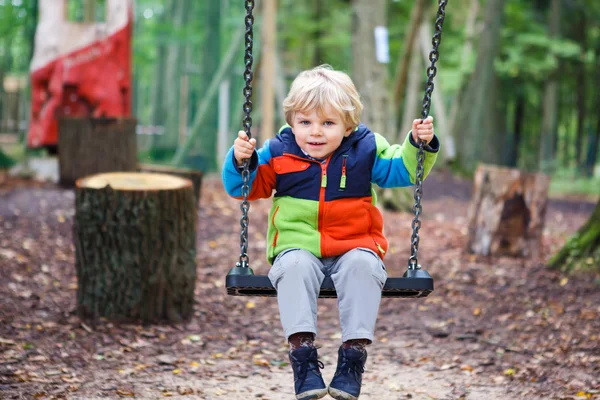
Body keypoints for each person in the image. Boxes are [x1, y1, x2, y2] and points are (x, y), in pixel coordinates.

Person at [222, 65, 439, 400]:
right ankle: (302, 356)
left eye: (327, 123)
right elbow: (245, 187)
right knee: (293, 267)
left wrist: (417, 144)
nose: (315, 133)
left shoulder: (366, 148)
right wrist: (240, 160)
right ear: (293, 122)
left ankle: (353, 356)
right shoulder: (278, 151)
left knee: (365, 267)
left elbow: (402, 169)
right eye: (305, 122)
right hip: (297, 247)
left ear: (348, 125)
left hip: (354, 245)